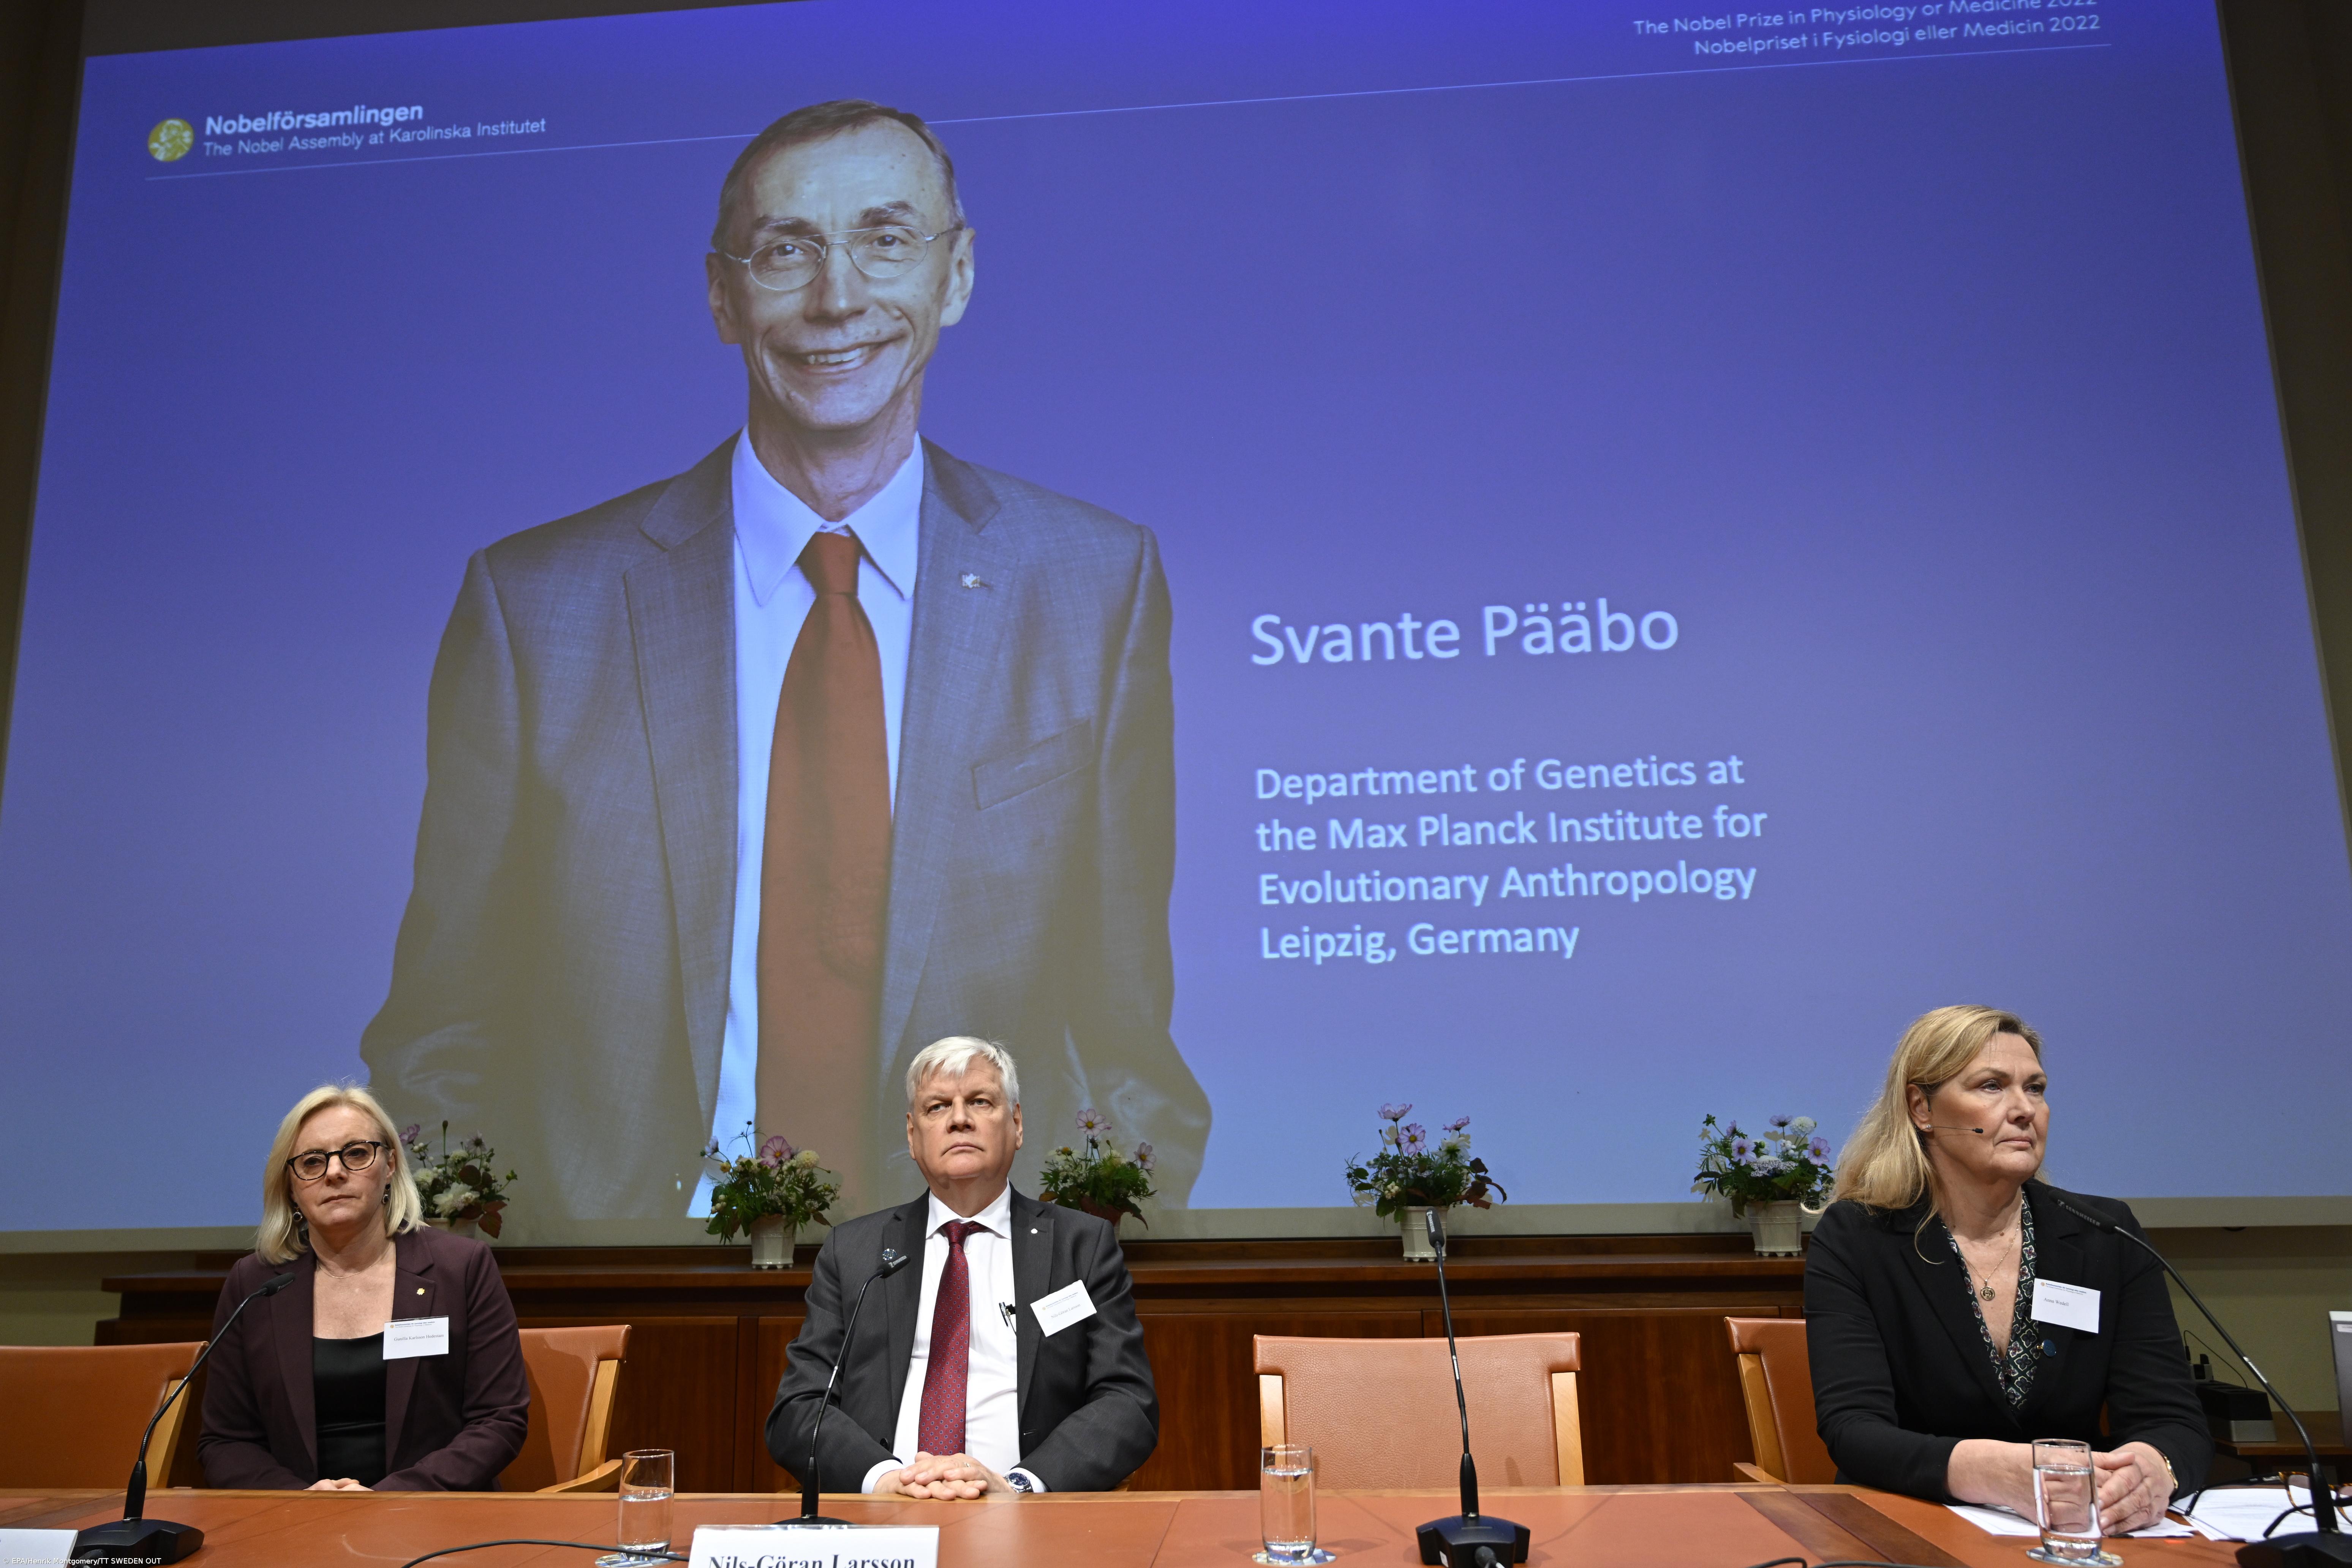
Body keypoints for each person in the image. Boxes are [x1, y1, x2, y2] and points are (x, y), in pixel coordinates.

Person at [360, 98, 1208, 1220]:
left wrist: (1066, 1294)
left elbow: (1124, 1037)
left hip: (976, 1309)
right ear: (722, 294)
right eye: (786, 250)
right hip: (637, 1295)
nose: (838, 295)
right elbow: (442, 1031)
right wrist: (515, 1297)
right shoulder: (535, 609)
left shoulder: (1096, 586)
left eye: (886, 239)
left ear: (955, 277)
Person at [1805, 1006, 2209, 1533]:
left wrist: (2158, 1469)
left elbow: (2175, 1421)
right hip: (1909, 1527)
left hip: (2073, 1534)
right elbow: (1854, 1430)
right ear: (1922, 1108)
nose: (2025, 1110)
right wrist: (1989, 1473)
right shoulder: (1860, 1237)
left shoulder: (2105, 1235)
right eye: (1992, 1087)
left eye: (2036, 1088)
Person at [766, 1037, 1157, 1494]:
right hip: (886, 1519)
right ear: (913, 1138)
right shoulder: (854, 1252)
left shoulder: (1081, 1247)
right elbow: (799, 1405)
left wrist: (1020, 1487)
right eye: (937, 1107)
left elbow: (1127, 1402)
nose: (959, 1119)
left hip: (1025, 1522)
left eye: (980, 1101)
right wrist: (884, 1481)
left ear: (1016, 1124)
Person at [198, 1084, 530, 1490]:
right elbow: (226, 1441)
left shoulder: (460, 1269)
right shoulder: (254, 1284)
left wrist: (388, 1499)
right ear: (290, 1186)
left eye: (356, 1153)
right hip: (295, 1529)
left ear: (389, 1165)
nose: (335, 1172)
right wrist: (298, 1501)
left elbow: (499, 1420)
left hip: (431, 1521)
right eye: (312, 1161)